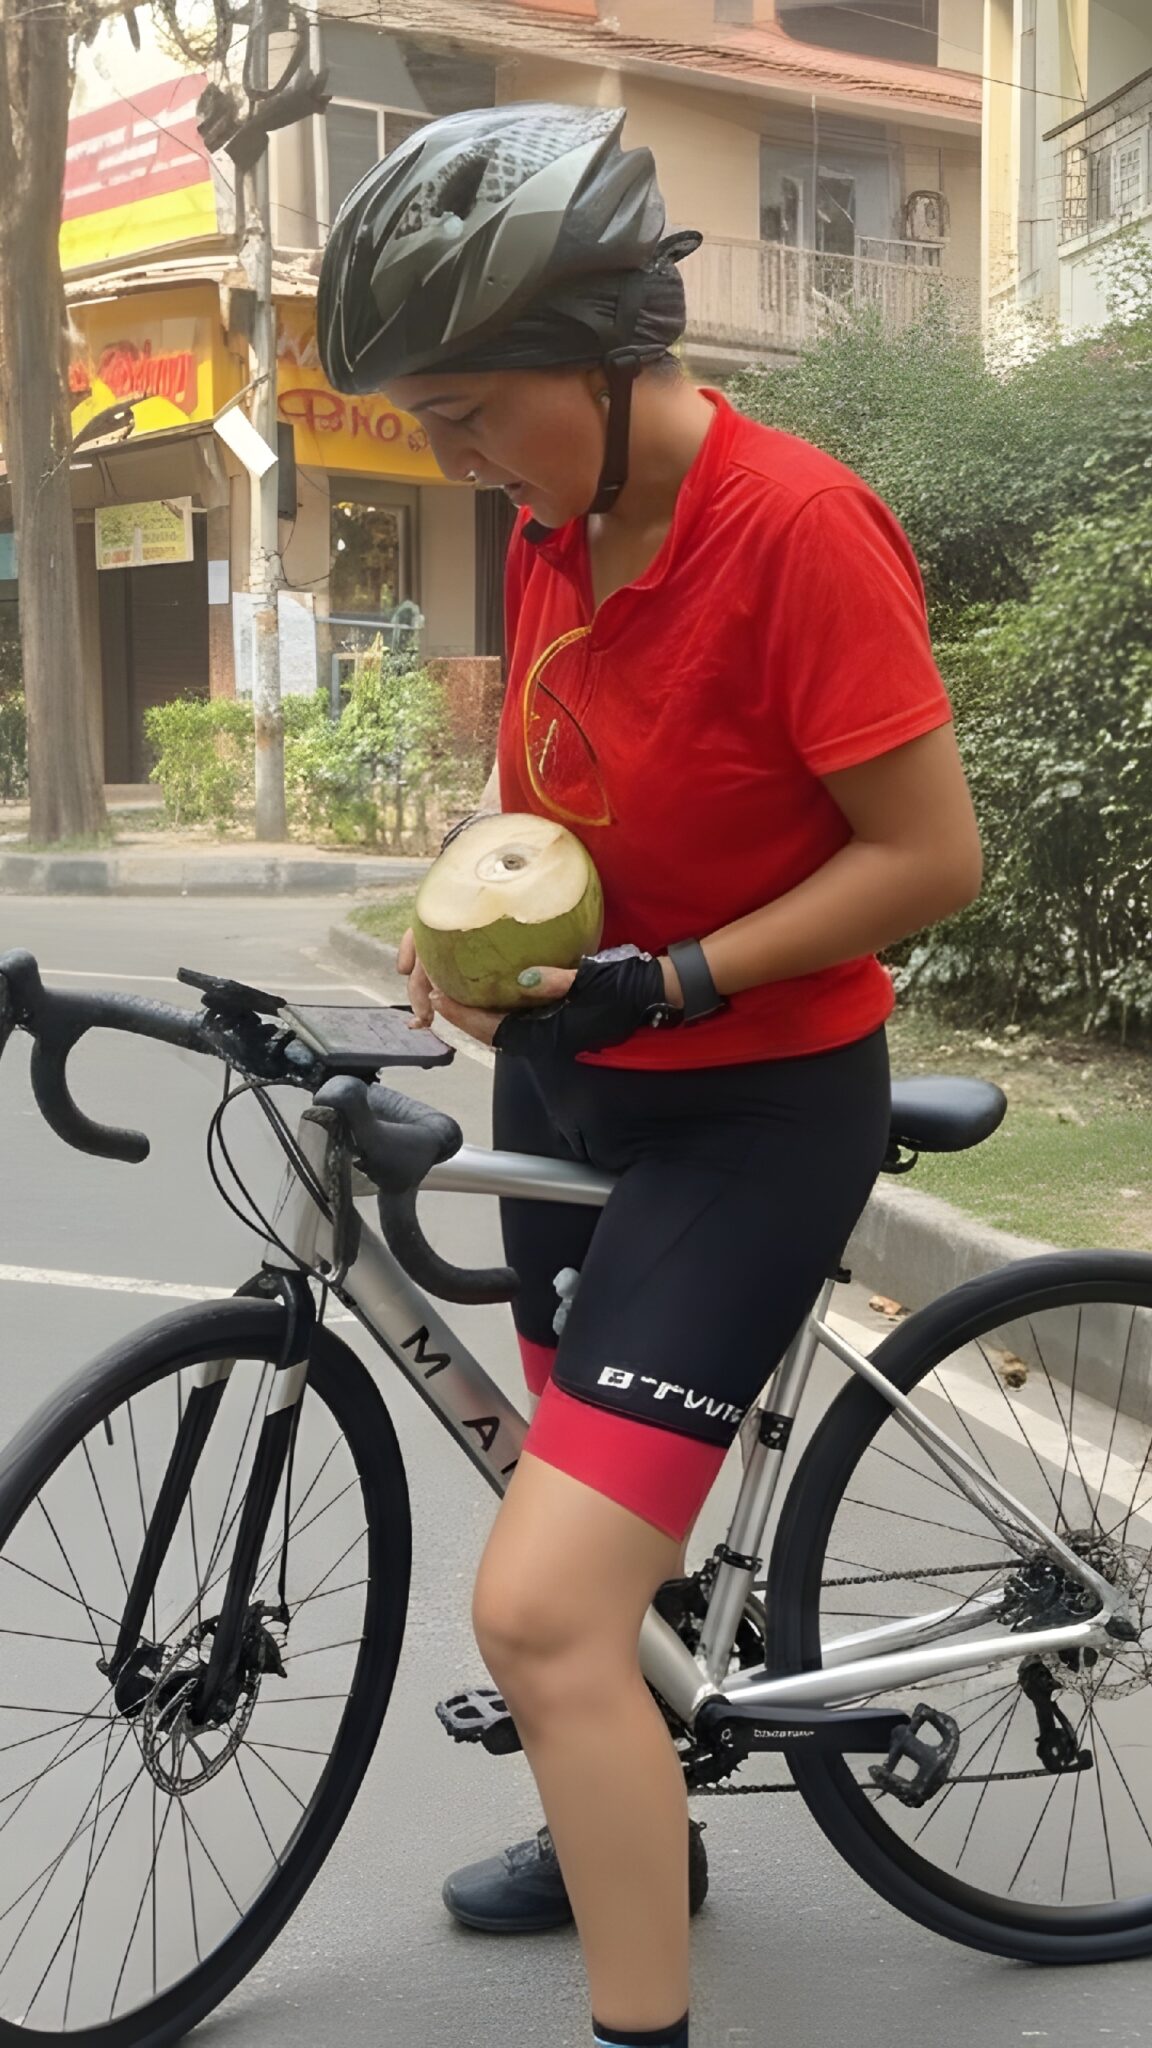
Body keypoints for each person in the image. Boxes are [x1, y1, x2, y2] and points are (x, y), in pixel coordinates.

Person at [317, 103, 983, 2048]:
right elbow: (555, 796)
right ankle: (636, 1829)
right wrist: (476, 918)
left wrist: (676, 975)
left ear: (604, 356)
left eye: (462, 408)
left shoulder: (794, 528)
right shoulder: (555, 524)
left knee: (538, 1612)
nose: (447, 456)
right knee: (585, 1543)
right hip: (582, 1086)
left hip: (757, 1114)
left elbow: (930, 858)